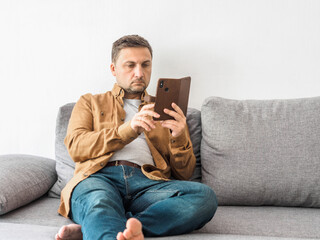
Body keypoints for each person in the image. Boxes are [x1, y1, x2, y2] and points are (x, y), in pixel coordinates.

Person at [55, 35, 217, 240]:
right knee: (99, 202)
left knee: (204, 197)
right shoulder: (90, 102)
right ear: (113, 69)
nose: (139, 73)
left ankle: (102, 225)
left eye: (145, 65)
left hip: (148, 183)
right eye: (130, 65)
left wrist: (179, 136)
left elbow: (183, 175)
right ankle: (106, 224)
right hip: (98, 177)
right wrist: (129, 129)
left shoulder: (165, 108)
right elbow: (77, 147)